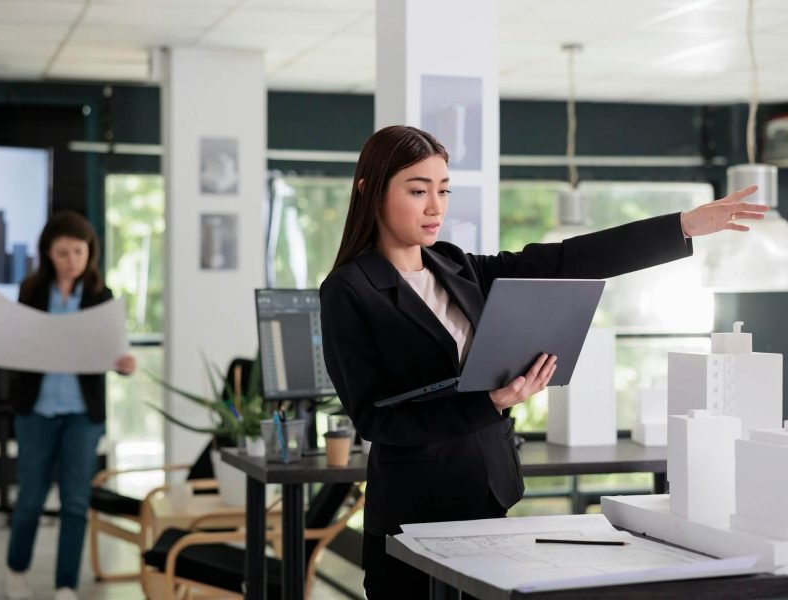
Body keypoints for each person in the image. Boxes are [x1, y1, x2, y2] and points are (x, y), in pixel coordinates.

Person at [319, 125, 766, 599]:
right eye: (417, 190)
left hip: (488, 497)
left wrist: (680, 226)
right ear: (370, 191)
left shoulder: (457, 267)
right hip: (413, 513)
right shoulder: (349, 290)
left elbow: (566, 259)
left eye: (444, 190)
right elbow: (374, 418)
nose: (436, 207)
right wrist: (490, 402)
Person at [5, 211, 136, 600]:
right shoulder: (31, 292)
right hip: (37, 410)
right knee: (30, 496)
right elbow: (15, 343)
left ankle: (66, 584)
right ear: (48, 253)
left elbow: (115, 351)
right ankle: (16, 570)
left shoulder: (101, 296)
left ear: (89, 253)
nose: (71, 260)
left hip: (82, 412)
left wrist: (125, 364)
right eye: (63, 253)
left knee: (75, 501)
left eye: (78, 252)